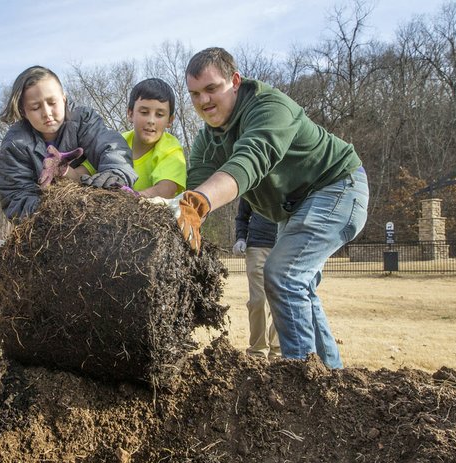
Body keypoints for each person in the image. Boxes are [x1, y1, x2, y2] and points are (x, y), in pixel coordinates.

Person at [170, 47, 368, 369]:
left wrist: (199, 204)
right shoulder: (208, 140)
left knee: (282, 275)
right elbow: (195, 186)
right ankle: (331, 378)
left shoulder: (269, 107)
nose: (203, 101)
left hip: (337, 186)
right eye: (194, 94)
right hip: (294, 209)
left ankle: (301, 380)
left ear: (234, 81)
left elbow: (250, 160)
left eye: (211, 89)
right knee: (298, 287)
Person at [0, 65, 137, 220]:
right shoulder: (15, 144)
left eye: (52, 102)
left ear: (64, 99)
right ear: (24, 112)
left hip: (98, 210)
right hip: (53, 222)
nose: (47, 113)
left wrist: (116, 172)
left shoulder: (84, 120)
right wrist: (54, 211)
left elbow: (110, 146)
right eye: (35, 107)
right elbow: (15, 197)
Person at [123, 78, 186, 198]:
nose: (151, 121)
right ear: (130, 114)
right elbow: (84, 171)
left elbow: (166, 190)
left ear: (170, 120)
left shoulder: (171, 149)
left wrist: (130, 197)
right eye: (144, 112)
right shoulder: (116, 142)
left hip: (154, 214)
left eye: (159, 115)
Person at [233, 199, 280, 360]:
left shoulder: (292, 176)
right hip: (257, 245)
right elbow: (242, 216)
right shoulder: (255, 182)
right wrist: (240, 238)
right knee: (258, 300)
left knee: (281, 300)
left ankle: (278, 351)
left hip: (285, 244)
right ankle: (257, 352)